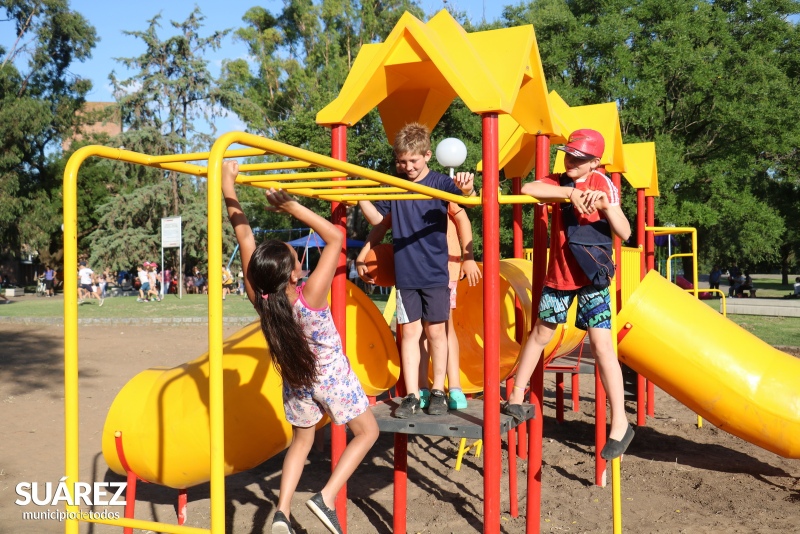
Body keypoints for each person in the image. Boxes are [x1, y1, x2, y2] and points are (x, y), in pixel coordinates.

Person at [222, 160, 379, 534]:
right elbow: (336, 239)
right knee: (368, 432)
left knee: (302, 440)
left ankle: (281, 512)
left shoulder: (261, 298)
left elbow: (245, 238)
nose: (302, 265)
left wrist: (229, 186)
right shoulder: (309, 295)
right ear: (293, 275)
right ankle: (325, 497)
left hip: (296, 381)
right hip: (331, 377)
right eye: (297, 262)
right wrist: (291, 205)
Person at [503, 129, 634, 461]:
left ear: (594, 163)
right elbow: (529, 188)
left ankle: (620, 421)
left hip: (593, 278)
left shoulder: (603, 184)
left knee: (604, 346)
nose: (569, 161)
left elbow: (625, 231)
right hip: (560, 276)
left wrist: (604, 206)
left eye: (577, 158)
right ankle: (516, 398)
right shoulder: (558, 180)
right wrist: (568, 194)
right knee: (540, 334)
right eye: (567, 155)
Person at [356, 122, 477, 418]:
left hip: (436, 273)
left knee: (436, 331)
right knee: (408, 333)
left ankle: (438, 389)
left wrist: (467, 187)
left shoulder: (438, 183)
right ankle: (411, 394)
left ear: (426, 155)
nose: (407, 167)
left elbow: (465, 197)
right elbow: (377, 220)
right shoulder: (395, 185)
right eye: (401, 161)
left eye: (413, 160)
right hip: (406, 276)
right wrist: (360, 194)